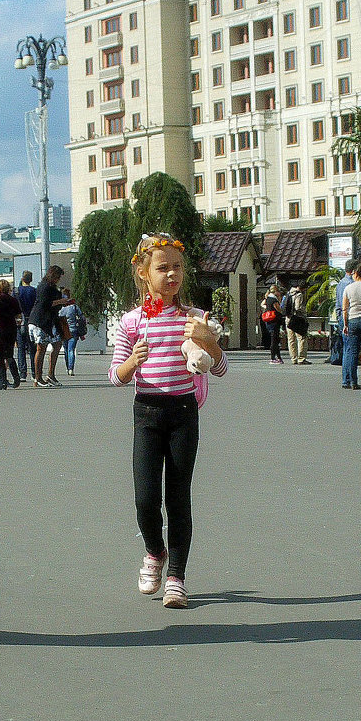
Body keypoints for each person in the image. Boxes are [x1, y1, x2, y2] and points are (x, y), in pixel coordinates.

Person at [109, 233, 227, 609]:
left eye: (177, 267)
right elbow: (116, 376)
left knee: (178, 498)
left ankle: (177, 577)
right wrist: (132, 362)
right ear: (144, 274)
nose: (172, 275)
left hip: (182, 414)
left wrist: (208, 340)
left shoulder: (193, 318)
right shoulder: (131, 322)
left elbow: (221, 368)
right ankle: (154, 552)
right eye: (163, 268)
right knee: (146, 498)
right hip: (146, 413)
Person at [28, 265, 69, 387]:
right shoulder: (44, 287)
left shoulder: (51, 287)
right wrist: (60, 301)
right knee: (41, 348)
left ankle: (50, 375)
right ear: (52, 276)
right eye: (57, 277)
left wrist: (63, 302)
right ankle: (38, 377)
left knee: (57, 344)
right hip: (40, 321)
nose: (58, 280)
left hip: (50, 321)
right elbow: (44, 304)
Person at [0, 278, 22, 389]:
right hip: (11, 328)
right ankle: (16, 378)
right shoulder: (13, 300)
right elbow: (18, 315)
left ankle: (2, 380)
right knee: (9, 355)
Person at [334, 257, 357, 380]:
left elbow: (338, 302)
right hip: (350, 317)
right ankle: (348, 378)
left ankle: (346, 378)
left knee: (346, 347)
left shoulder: (340, 283)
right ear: (354, 271)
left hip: (342, 317)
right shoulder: (351, 284)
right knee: (350, 348)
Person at [59, 287, 85, 376]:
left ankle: (67, 367)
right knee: (71, 350)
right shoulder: (74, 307)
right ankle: (71, 369)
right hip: (73, 330)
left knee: (66, 350)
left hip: (63, 331)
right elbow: (82, 317)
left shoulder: (60, 308)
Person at [16, 271, 37, 381]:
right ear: (31, 279)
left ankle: (23, 373)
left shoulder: (17, 291)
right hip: (31, 320)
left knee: (21, 348)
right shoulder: (34, 291)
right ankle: (34, 372)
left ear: (22, 279)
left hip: (20, 321)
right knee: (32, 348)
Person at [284, 282, 310, 364]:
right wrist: (305, 312)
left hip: (288, 317)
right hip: (297, 318)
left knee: (291, 339)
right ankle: (301, 358)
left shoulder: (289, 293)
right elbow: (297, 307)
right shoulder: (299, 295)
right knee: (301, 338)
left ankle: (293, 358)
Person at [263, 284, 285, 364]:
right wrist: (280, 301)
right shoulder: (273, 300)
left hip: (269, 321)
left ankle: (279, 357)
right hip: (274, 321)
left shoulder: (268, 298)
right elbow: (279, 309)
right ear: (276, 291)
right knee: (274, 340)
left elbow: (263, 305)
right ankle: (272, 358)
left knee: (275, 339)